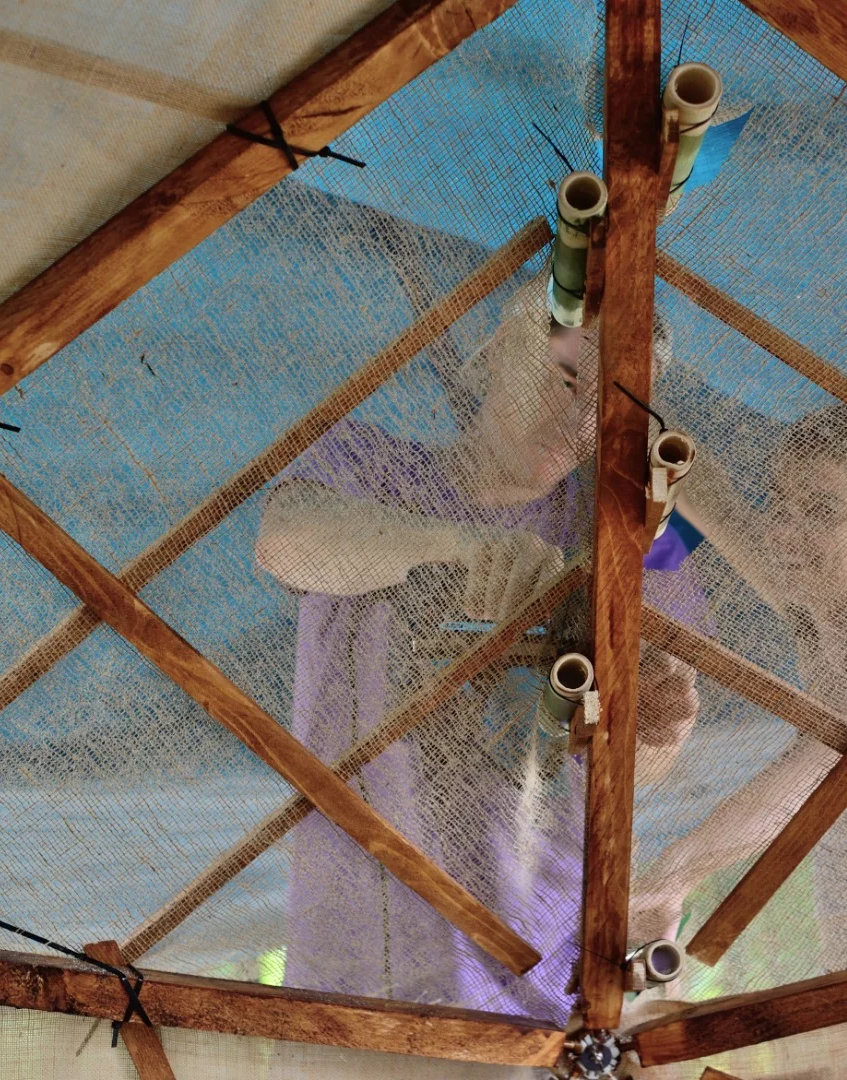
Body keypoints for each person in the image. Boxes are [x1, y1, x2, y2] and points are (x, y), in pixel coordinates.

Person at [255, 277, 704, 1020]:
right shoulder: (366, 463)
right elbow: (284, 539)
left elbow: (652, 761)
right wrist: (459, 548)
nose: (579, 420)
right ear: (495, 349)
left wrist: (655, 726)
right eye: (566, 378)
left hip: (543, 966)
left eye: (609, 408)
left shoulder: (641, 537)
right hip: (361, 951)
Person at [630, 404, 847, 971]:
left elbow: (810, 776)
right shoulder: (818, 611)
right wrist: (622, 404)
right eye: (779, 505)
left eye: (821, 512)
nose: (784, 533)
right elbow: (713, 500)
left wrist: (671, 874)